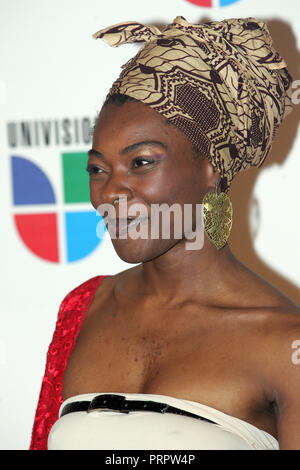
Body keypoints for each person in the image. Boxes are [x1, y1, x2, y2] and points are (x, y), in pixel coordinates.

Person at [30, 16, 300, 450]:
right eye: (98, 169)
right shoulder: (84, 308)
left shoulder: (286, 342)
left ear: (211, 168)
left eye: (142, 162)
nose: (110, 192)